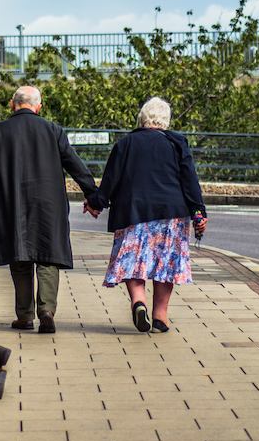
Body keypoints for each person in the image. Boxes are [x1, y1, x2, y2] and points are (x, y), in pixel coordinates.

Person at [0, 85, 101, 334]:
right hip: (49, 205)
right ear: (39, 106)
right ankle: (46, 310)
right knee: (48, 257)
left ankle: (24, 316)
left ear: (13, 105)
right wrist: (92, 195)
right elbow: (75, 164)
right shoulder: (53, 130)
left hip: (12, 204)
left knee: (20, 257)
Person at [85, 97, 207, 333]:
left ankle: (138, 302)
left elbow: (110, 180)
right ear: (166, 121)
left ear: (141, 119)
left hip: (133, 212)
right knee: (165, 265)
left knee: (133, 262)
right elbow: (190, 181)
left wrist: (96, 202)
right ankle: (160, 316)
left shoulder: (126, 143)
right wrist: (198, 213)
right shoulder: (177, 142)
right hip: (171, 214)